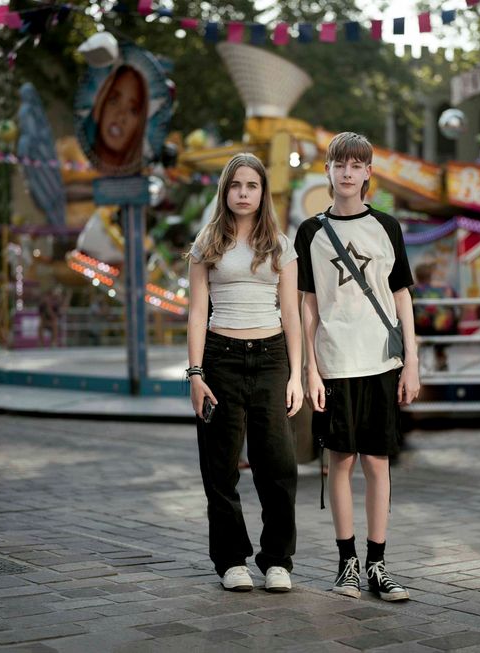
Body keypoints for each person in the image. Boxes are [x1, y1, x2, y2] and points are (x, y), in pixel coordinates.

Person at [295, 132, 420, 602]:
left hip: (382, 360)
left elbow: (402, 296)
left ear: (368, 172)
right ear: (326, 171)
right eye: (338, 164)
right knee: (340, 462)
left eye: (356, 165)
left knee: (378, 463)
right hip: (335, 361)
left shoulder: (387, 227)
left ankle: (378, 565)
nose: (346, 172)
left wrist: (411, 362)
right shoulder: (310, 232)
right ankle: (346, 564)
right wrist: (309, 368)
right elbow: (307, 305)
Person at [186, 153, 302, 594]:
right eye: (236, 185)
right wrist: (196, 374)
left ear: (262, 192)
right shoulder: (206, 243)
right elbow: (197, 313)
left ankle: (277, 560)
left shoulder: (280, 244)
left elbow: (290, 313)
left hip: (272, 356)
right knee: (220, 468)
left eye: (251, 185)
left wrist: (296, 375)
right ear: (225, 190)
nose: (243, 193)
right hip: (221, 357)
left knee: (278, 465)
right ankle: (232, 560)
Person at [91, 64, 148, 173]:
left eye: (133, 110)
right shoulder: (71, 157)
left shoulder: (144, 182)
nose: (121, 115)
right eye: (113, 101)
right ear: (100, 104)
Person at [412, 261, 457, 372]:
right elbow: (456, 303)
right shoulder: (445, 288)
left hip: (422, 329)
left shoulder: (414, 290)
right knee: (440, 321)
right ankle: (441, 362)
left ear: (417, 275)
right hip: (445, 329)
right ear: (431, 275)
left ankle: (417, 366)